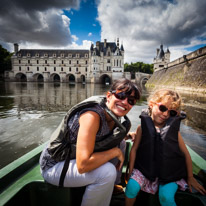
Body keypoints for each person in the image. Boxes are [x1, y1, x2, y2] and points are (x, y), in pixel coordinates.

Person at [39, 78, 140, 206]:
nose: (125, 102)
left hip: (73, 160)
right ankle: (108, 182)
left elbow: (102, 139)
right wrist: (114, 152)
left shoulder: (114, 116)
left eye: (131, 101)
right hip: (54, 165)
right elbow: (83, 166)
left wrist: (127, 136)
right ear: (109, 96)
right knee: (107, 172)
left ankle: (112, 185)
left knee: (121, 143)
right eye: (120, 95)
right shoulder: (91, 116)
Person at [125, 89, 206, 206]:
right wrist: (131, 171)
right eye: (162, 108)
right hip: (145, 171)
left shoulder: (174, 132)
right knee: (131, 187)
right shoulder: (141, 128)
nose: (165, 114)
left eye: (171, 112)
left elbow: (186, 154)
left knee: (166, 197)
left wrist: (190, 177)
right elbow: (134, 150)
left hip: (169, 174)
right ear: (151, 104)